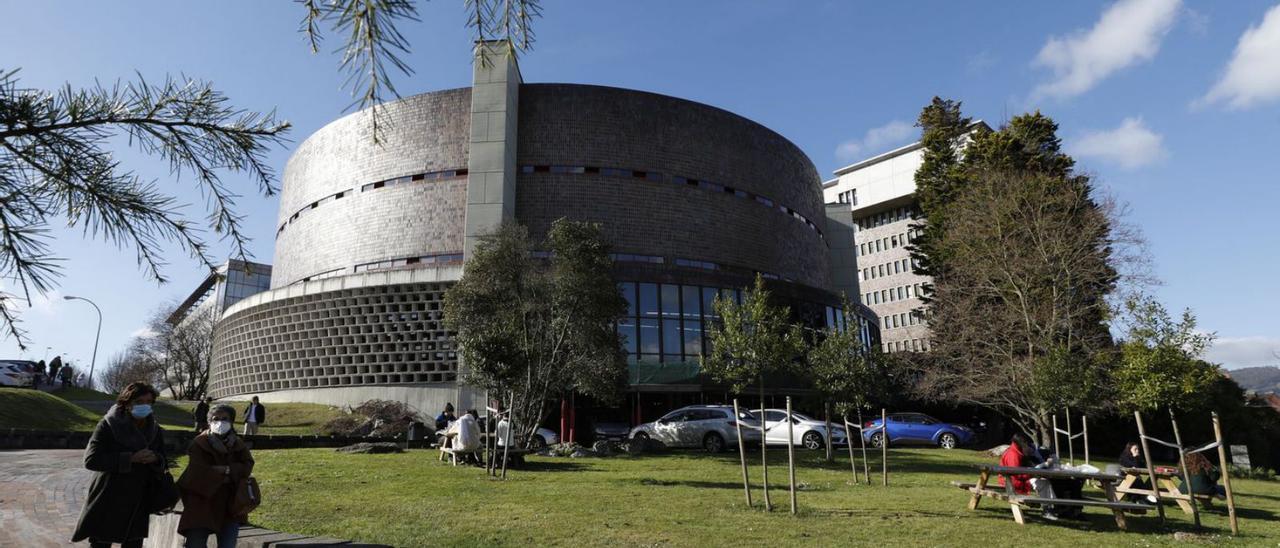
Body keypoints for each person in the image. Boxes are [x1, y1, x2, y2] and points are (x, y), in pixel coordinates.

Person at [71, 382, 168, 548]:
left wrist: (155, 459)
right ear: (127, 402)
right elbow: (91, 460)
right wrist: (130, 459)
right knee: (101, 541)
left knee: (133, 542)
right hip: (109, 495)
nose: (144, 406)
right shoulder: (108, 424)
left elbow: (163, 459)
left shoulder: (154, 429)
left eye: (148, 402)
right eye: (139, 402)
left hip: (139, 498)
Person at [178, 404, 255, 548]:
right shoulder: (199, 443)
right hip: (201, 502)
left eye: (225, 418)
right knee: (195, 543)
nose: (220, 422)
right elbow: (198, 472)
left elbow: (247, 466)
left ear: (231, 421)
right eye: (216, 418)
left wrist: (226, 470)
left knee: (228, 544)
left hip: (230, 504)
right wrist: (230, 475)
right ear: (209, 421)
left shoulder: (238, 444)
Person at [998, 433, 1060, 520]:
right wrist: (1032, 475)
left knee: (1044, 482)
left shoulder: (1017, 451)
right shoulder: (1013, 454)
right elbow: (1016, 474)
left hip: (1017, 478)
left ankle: (1052, 507)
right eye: (1025, 443)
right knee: (1043, 483)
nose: (1027, 445)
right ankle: (1048, 509)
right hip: (1011, 481)